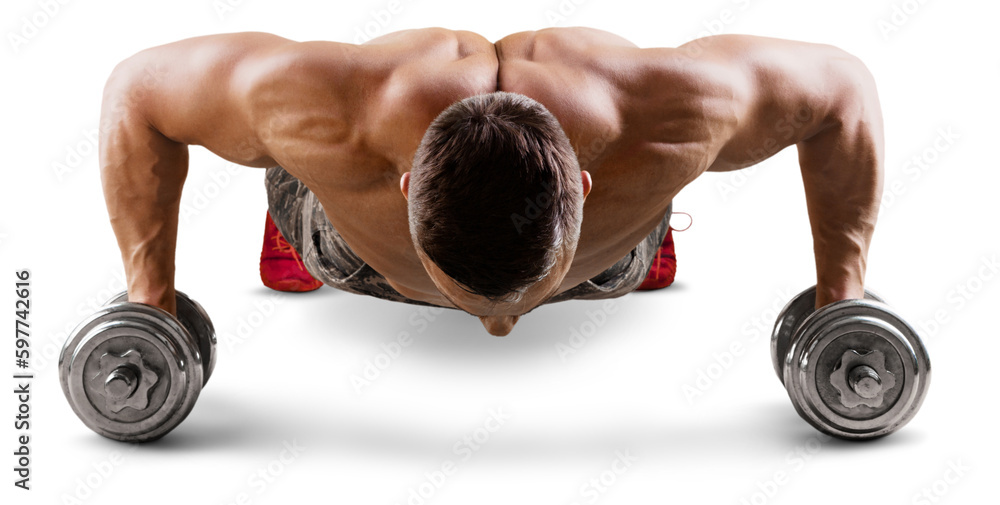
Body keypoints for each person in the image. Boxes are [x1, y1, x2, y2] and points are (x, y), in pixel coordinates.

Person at [99, 27, 882, 336]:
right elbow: (137, 92)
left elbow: (843, 93)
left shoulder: (674, 114)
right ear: (407, 187)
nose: (495, 327)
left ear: (582, 178)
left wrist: (841, 294)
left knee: (619, 257)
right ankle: (294, 232)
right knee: (305, 194)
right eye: (468, 298)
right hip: (358, 248)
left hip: (602, 252)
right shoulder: (321, 108)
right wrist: (150, 299)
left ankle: (635, 243)